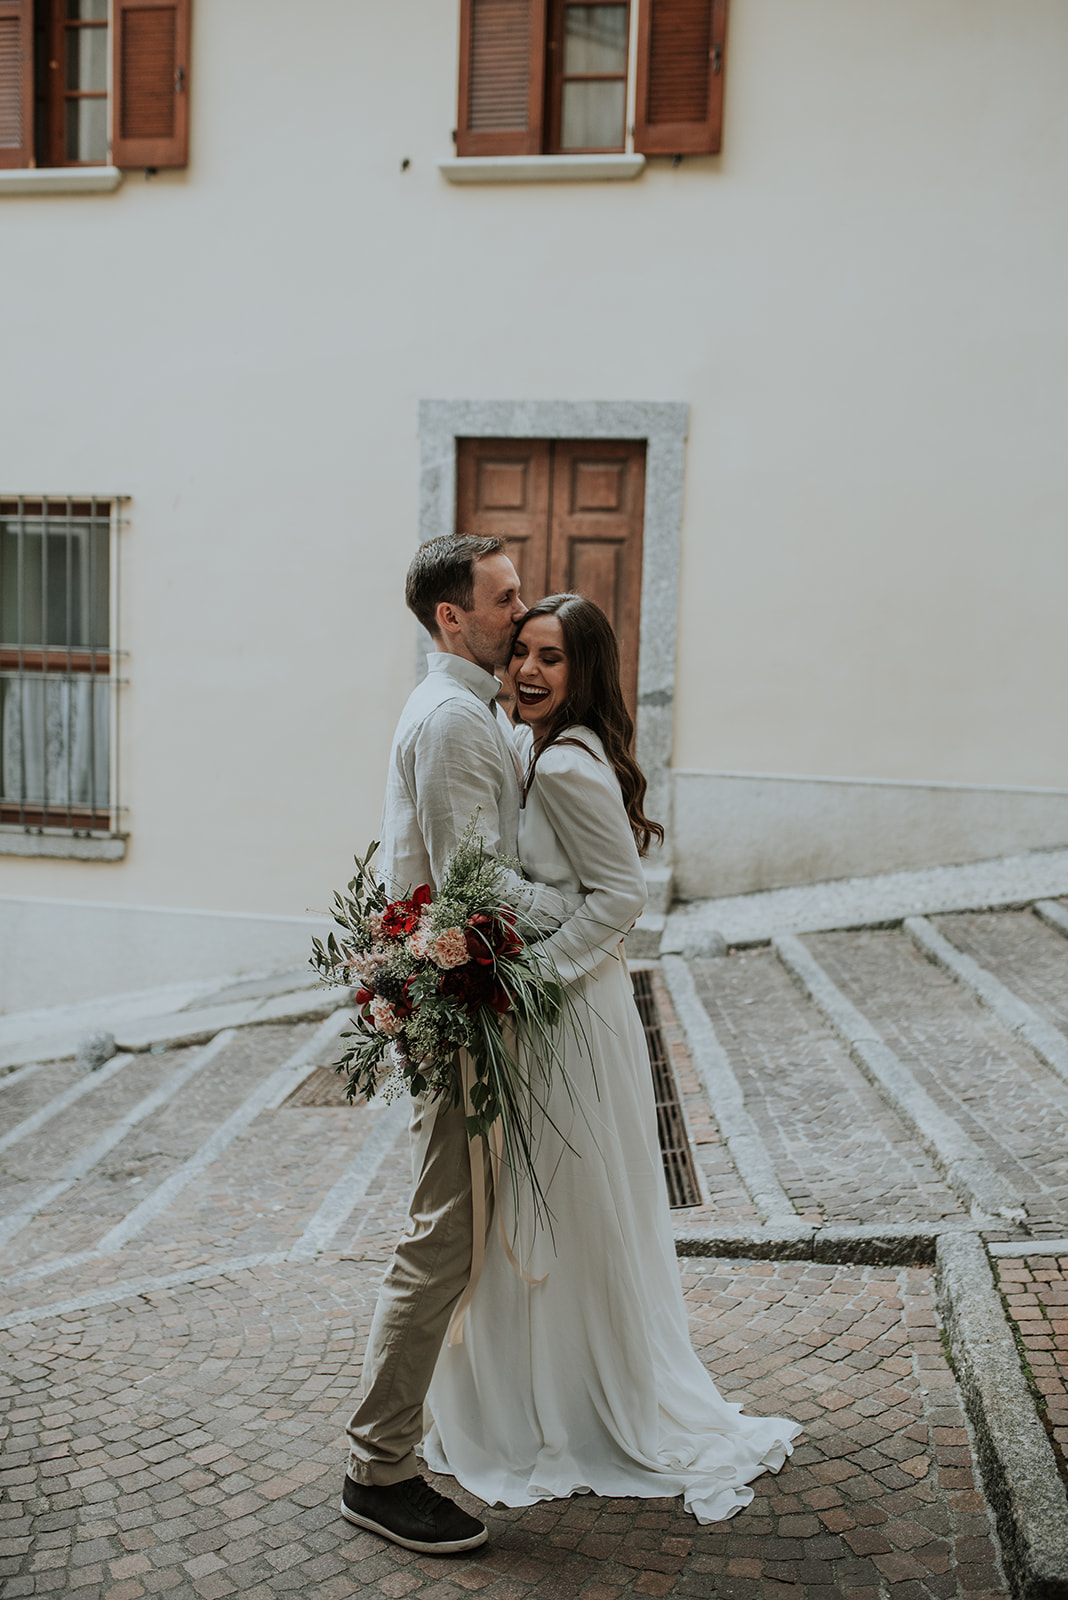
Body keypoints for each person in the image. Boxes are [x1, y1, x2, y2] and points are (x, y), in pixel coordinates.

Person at [422, 594, 802, 1524]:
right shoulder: (532, 748)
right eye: (521, 654)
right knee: (547, 1204)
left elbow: (621, 898)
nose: (528, 672)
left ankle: (576, 1406)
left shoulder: (567, 768)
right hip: (563, 1003)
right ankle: (545, 1391)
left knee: (566, 1207)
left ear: (585, 670)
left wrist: (529, 977)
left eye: (552, 657)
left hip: (570, 1013)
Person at [341, 538, 581, 1555]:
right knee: (441, 1235)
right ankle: (377, 1467)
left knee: (457, 1231)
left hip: (464, 996)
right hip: (456, 1008)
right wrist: (582, 907)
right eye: (504, 598)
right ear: (452, 618)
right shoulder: (447, 720)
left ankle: (429, 1428)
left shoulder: (464, 706)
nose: (523, 613)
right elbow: (465, 883)